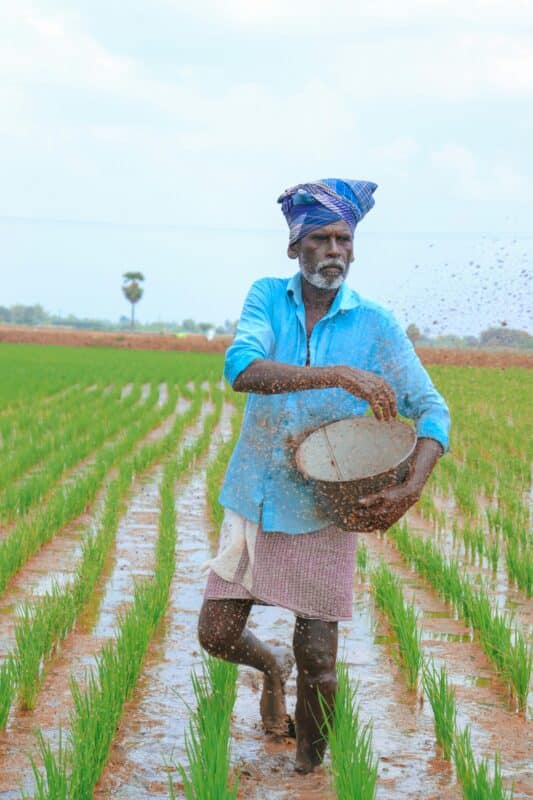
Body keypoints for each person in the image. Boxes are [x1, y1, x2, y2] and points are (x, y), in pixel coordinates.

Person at [198, 178, 450, 774]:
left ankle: (308, 774)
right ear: (295, 247)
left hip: (325, 507)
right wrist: (337, 375)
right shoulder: (267, 297)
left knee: (319, 658)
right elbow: (242, 369)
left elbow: (432, 409)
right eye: (320, 238)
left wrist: (412, 485)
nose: (334, 250)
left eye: (343, 239)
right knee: (216, 633)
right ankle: (271, 671)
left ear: (354, 249)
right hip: (255, 496)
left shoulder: (377, 326)